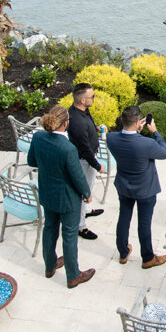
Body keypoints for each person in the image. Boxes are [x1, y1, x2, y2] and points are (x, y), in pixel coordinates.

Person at [26, 105, 95, 289]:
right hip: (67, 198)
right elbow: (78, 176)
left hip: (48, 193)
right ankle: (73, 275)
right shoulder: (68, 148)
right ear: (65, 124)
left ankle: (49, 266)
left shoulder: (38, 137)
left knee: (49, 229)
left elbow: (31, 161)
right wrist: (86, 193)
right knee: (69, 235)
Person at [107, 105, 166, 268]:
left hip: (124, 186)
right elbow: (164, 152)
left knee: (124, 217)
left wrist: (137, 132)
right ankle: (148, 258)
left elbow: (129, 144)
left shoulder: (111, 138)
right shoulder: (146, 143)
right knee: (144, 222)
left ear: (122, 120)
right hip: (145, 189)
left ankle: (122, 252)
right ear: (137, 122)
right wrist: (155, 131)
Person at [66, 82, 104, 240]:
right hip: (85, 161)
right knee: (83, 191)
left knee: (88, 187)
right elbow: (84, 149)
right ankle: (80, 227)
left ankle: (86, 211)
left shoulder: (80, 110)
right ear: (82, 100)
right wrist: (97, 165)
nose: (94, 98)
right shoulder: (78, 122)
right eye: (92, 97)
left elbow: (88, 125)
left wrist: (95, 129)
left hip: (89, 157)